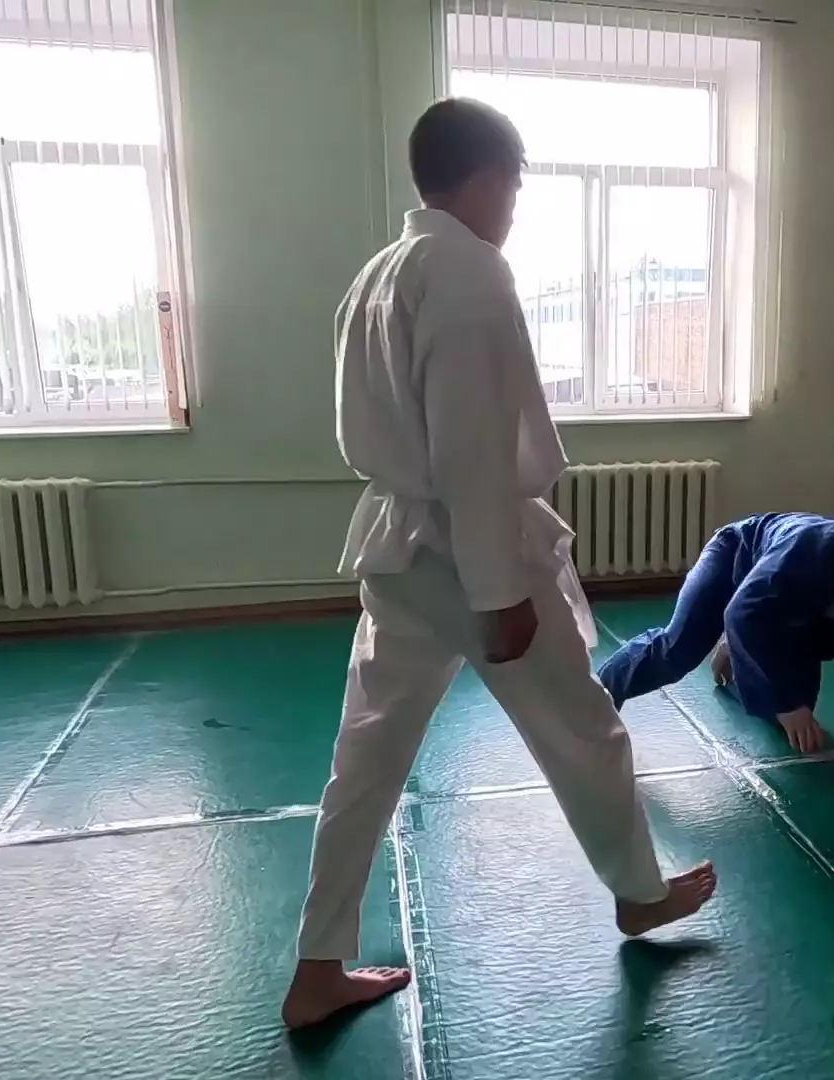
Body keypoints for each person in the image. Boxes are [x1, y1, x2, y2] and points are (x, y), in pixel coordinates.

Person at [281, 98, 718, 1031]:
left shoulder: (380, 273)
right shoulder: (470, 270)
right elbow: (471, 449)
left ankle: (317, 965)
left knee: (366, 757)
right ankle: (640, 893)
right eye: (515, 185)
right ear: (488, 176)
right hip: (467, 550)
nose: (516, 205)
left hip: (397, 549)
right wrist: (498, 591)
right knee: (583, 729)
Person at [597, 512, 834, 790]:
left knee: (793, 718)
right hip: (736, 555)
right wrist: (785, 702)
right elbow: (740, 613)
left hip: (791, 611)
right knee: (677, 651)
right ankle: (592, 698)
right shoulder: (805, 553)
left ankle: (739, 649)